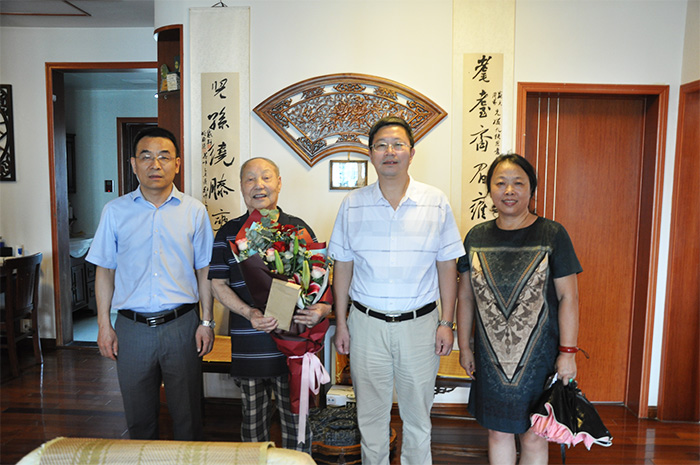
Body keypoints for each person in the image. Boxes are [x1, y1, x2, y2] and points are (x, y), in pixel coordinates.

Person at [328, 116, 465, 465]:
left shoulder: (435, 201)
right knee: (370, 416)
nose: (390, 152)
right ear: (371, 154)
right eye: (381, 145)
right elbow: (342, 266)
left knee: (417, 418)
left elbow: (447, 265)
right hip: (366, 325)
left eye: (398, 144)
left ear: (411, 153)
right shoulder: (353, 204)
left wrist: (446, 323)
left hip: (420, 326)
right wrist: (341, 323)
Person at [87, 126, 215, 440]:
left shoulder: (194, 211)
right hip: (132, 330)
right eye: (146, 157)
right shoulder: (115, 212)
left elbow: (205, 270)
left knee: (188, 417)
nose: (155, 165)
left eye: (164, 157)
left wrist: (207, 322)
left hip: (182, 326)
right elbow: (104, 271)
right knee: (139, 418)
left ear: (177, 164)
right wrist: (104, 325)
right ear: (133, 164)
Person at [456, 153, 582, 465]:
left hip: (540, 357)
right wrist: (465, 347)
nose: (509, 190)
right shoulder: (476, 237)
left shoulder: (552, 234)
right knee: (497, 432)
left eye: (518, 183)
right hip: (489, 357)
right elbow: (466, 297)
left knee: (534, 433)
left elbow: (569, 297)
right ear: (490, 189)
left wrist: (568, 353)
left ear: (531, 190)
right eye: (501, 183)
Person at [208, 157, 331, 452]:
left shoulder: (297, 228)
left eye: (266, 177)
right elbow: (217, 284)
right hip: (250, 342)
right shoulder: (228, 233)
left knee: (297, 422)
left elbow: (323, 281)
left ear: (279, 183)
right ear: (241, 186)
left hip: (295, 344)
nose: (258, 185)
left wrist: (321, 309)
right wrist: (249, 312)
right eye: (250, 179)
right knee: (253, 422)